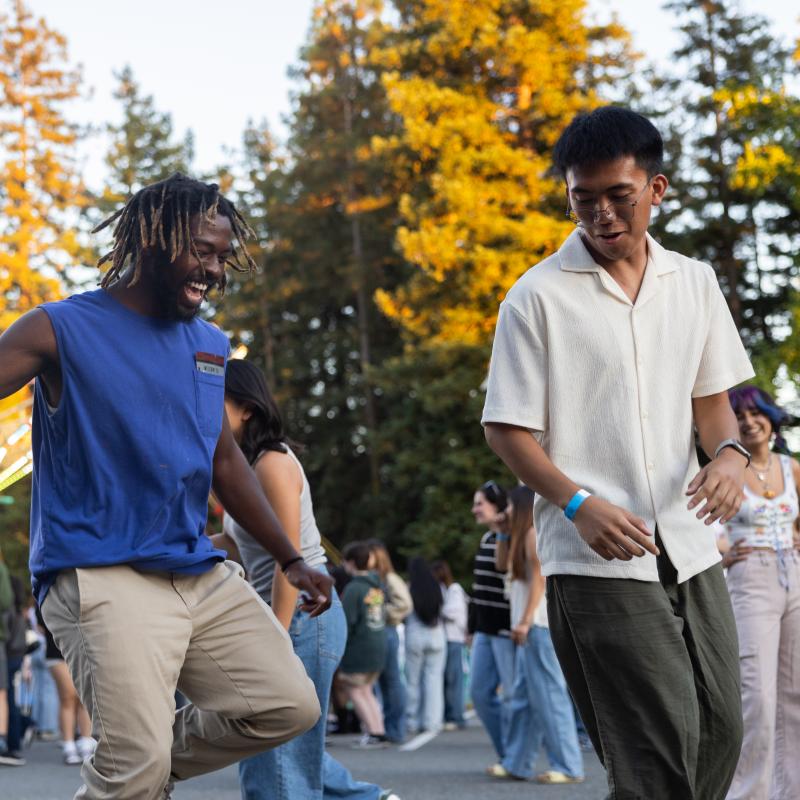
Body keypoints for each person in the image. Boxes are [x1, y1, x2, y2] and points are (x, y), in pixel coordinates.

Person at [0, 173, 333, 799]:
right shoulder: (58, 328)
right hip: (101, 573)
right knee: (138, 769)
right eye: (200, 251)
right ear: (153, 241)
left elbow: (225, 461)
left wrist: (291, 558)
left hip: (194, 570)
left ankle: (134, 767)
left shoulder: (209, 345)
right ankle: (135, 769)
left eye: (221, 254)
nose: (213, 268)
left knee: (289, 705)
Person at [482, 106, 754, 799]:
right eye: (584, 199)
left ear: (655, 190)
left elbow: (712, 400)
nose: (601, 214)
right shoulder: (535, 297)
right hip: (596, 557)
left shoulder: (692, 282)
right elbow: (507, 428)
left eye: (618, 197)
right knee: (656, 753)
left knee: (721, 730)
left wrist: (727, 454)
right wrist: (575, 502)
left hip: (689, 543)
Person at [212, 358, 400, 800]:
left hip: (302, 614)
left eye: (213, 401)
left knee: (277, 752)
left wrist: (276, 635)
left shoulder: (273, 463)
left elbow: (287, 558)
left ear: (247, 409)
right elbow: (241, 544)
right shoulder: (241, 467)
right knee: (286, 744)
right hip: (285, 614)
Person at [723, 386, 799, 800]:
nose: (750, 421)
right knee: (758, 695)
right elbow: (702, 526)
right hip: (750, 579)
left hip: (795, 576)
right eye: (740, 415)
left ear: (770, 417)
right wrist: (724, 552)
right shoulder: (726, 469)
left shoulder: (792, 468)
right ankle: (748, 794)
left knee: (795, 693)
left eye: (756, 413)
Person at [489, 486, 583, 785]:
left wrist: (525, 621)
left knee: (549, 695)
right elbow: (501, 565)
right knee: (525, 697)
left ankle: (568, 766)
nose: (504, 512)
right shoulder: (519, 536)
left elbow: (539, 582)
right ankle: (517, 762)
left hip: (537, 624)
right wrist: (503, 532)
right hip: (530, 626)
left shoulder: (532, 535)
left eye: (508, 508)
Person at [468, 481, 515, 762]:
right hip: (484, 630)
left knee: (512, 696)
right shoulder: (486, 539)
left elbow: (509, 572)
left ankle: (513, 756)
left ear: (498, 507)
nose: (474, 509)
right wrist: (471, 629)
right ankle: (507, 751)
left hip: (506, 629)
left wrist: (504, 533)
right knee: (479, 692)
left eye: (479, 504)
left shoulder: (508, 537)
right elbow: (479, 591)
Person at [339, 541, 388, 747]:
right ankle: (378, 730)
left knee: (355, 690)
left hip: (359, 647)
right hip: (377, 643)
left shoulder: (354, 588)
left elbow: (346, 620)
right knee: (367, 690)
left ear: (350, 563)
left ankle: (374, 733)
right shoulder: (376, 585)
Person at [33, 605, 93, 765]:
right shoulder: (46, 589)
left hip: (83, 649)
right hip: (56, 652)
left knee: (84, 696)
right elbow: (40, 625)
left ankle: (86, 742)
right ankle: (68, 744)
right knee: (68, 695)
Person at [369, 540, 412, 744]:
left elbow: (405, 604)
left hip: (388, 629)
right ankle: (389, 726)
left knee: (392, 680)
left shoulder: (390, 578)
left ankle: (396, 728)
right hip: (380, 631)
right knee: (382, 682)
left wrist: (382, 613)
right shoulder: (376, 579)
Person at [404, 557, 446, 735]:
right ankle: (432, 722)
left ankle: (411, 720)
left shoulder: (409, 588)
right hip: (436, 635)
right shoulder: (436, 587)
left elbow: (405, 610)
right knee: (434, 680)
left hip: (415, 635)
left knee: (412, 681)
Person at [431, 560, 468, 730]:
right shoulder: (446, 589)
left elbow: (452, 612)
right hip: (447, 638)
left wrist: (436, 608)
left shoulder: (454, 590)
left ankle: (456, 716)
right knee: (447, 678)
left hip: (455, 638)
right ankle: (450, 714)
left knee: (454, 678)